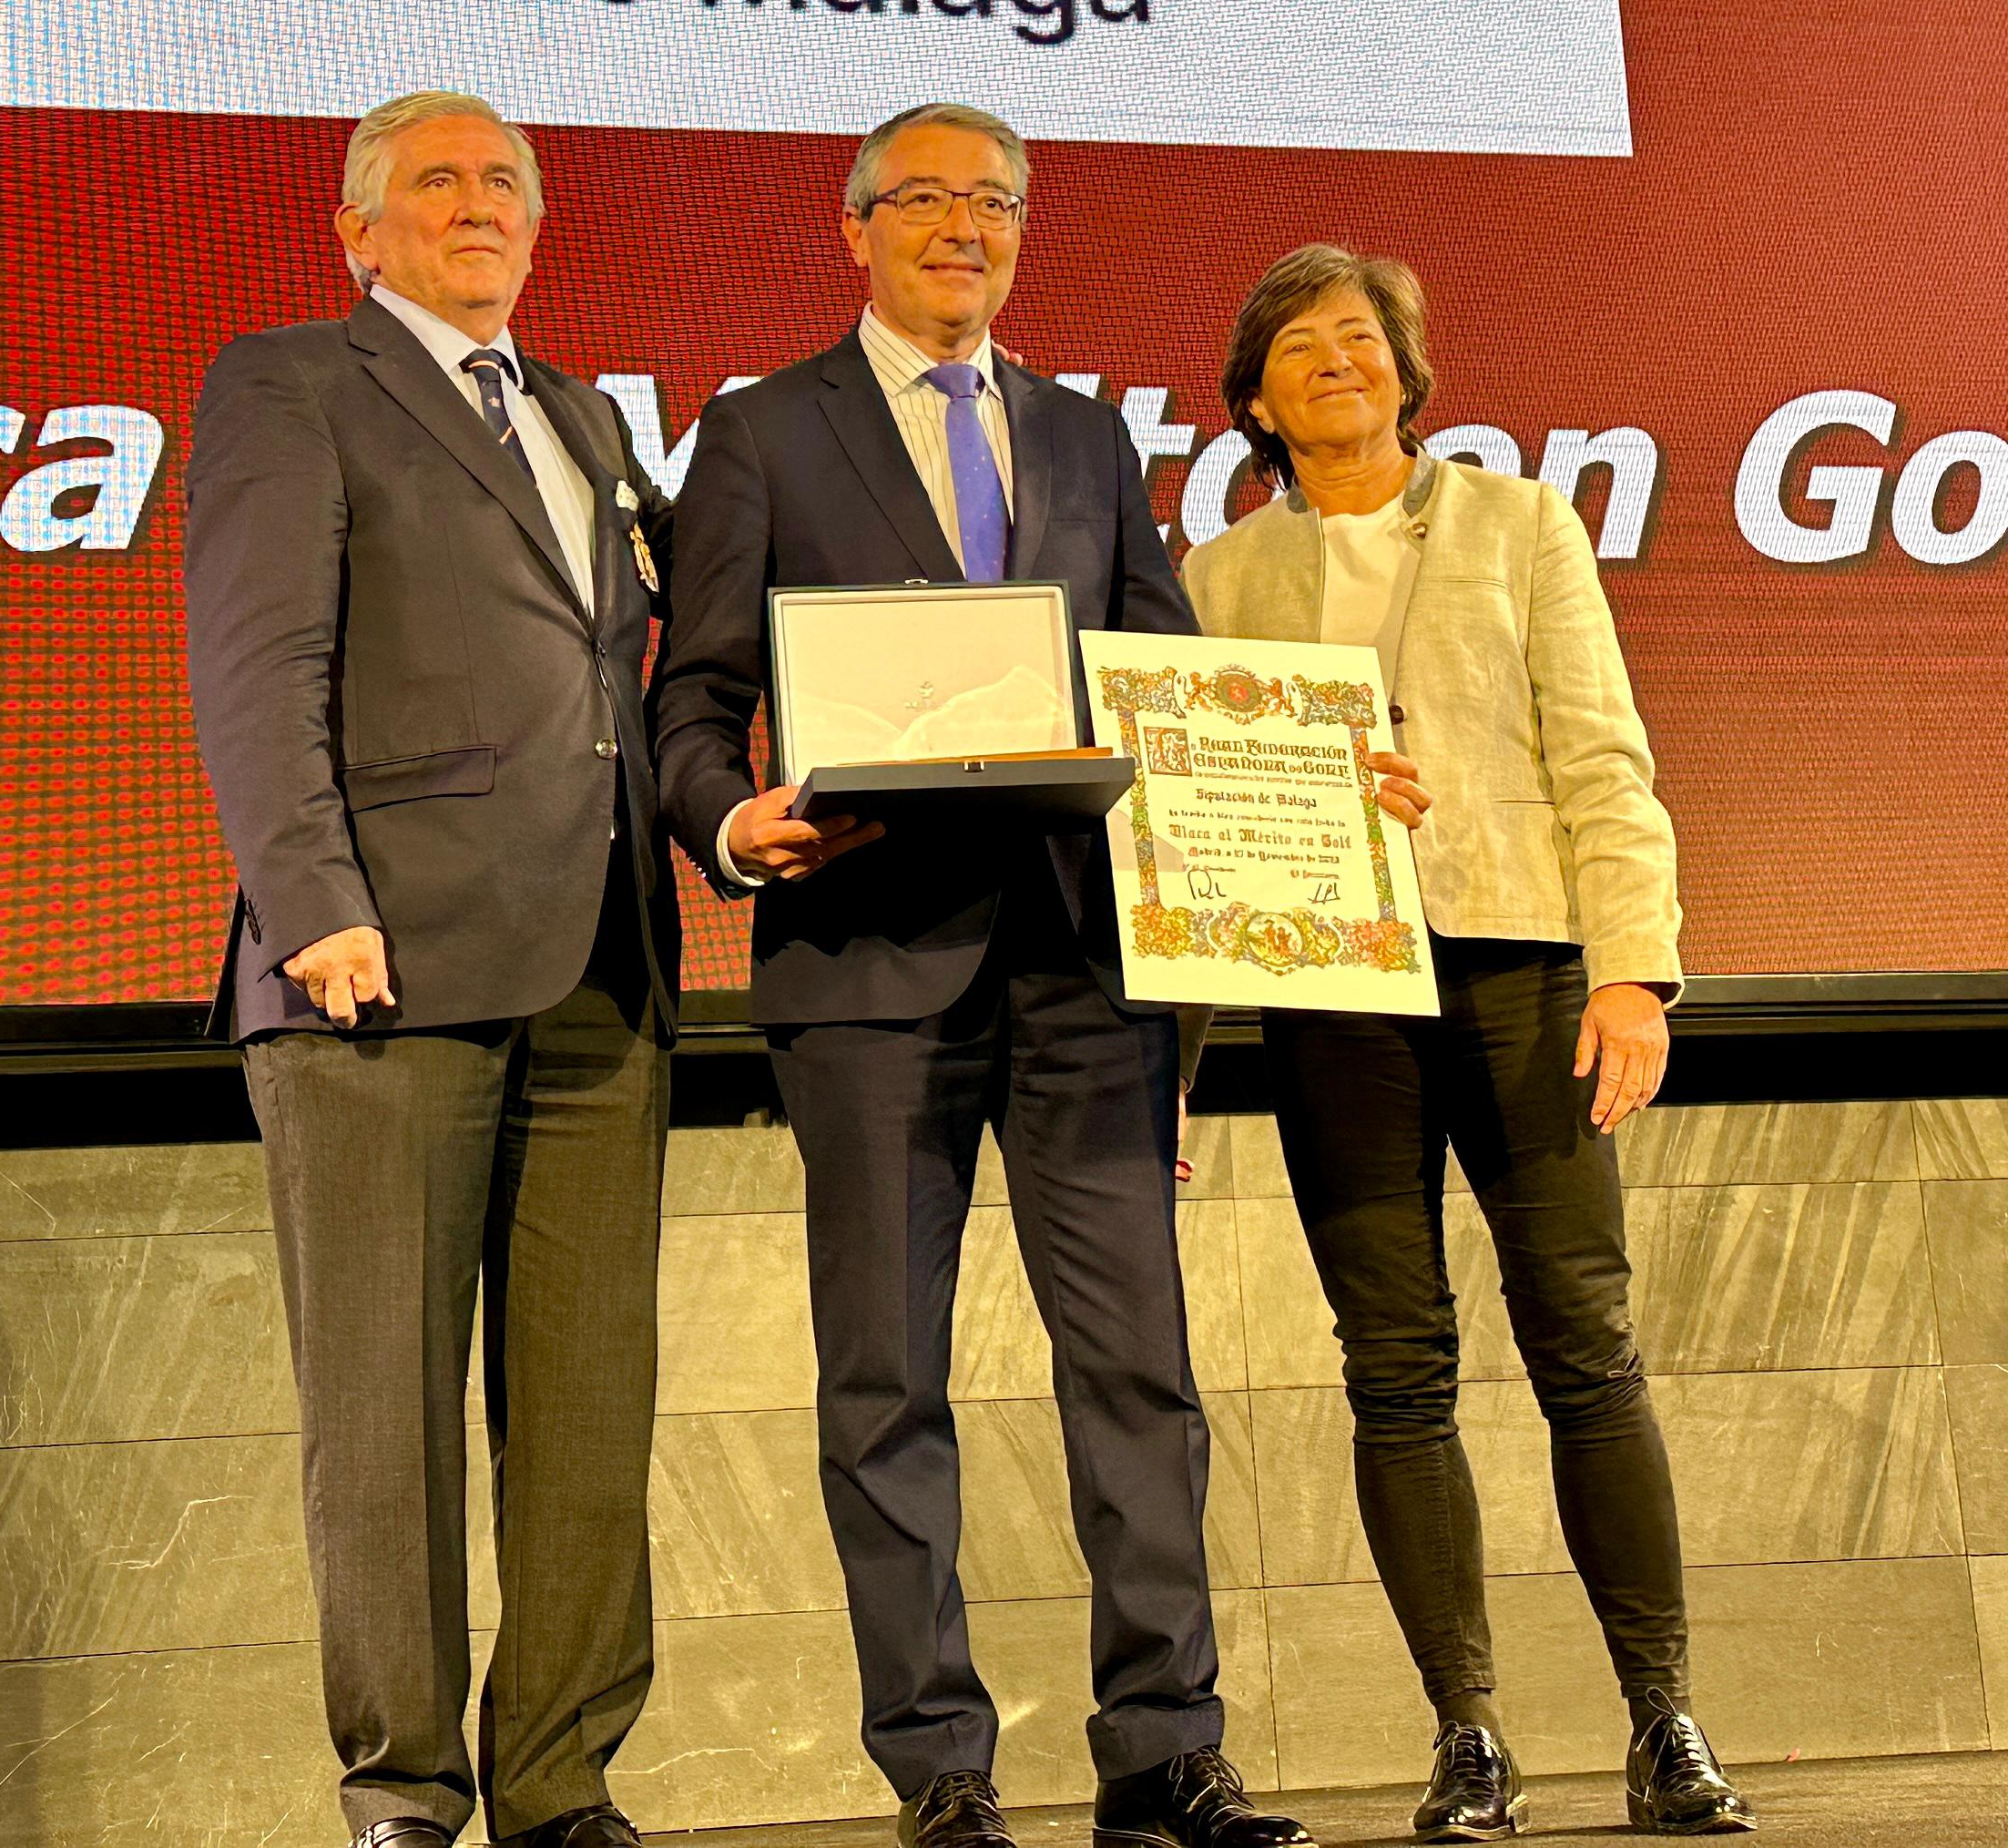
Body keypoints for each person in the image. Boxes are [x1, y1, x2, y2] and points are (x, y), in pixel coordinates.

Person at [652, 102, 1306, 1848]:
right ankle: (939, 1769)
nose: (966, 228)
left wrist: (1307, 780)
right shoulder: (759, 432)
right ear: (855, 225)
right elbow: (692, 700)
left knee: (1141, 1376)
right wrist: (733, 824)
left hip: (1087, 971)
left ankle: (1165, 1752)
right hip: (864, 970)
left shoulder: (1089, 437)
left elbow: (1169, 679)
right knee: (885, 1385)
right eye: (929, 199)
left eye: (996, 203)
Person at [1179, 245, 1754, 1841]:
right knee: (1394, 1367)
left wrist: (1634, 973)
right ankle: (1469, 1736)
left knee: (1586, 1341)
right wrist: (1174, 1061)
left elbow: (1603, 757)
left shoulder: (1522, 524)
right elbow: (1195, 841)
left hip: (1524, 968)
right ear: (1255, 400)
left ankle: (1665, 1721)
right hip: (1332, 997)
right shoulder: (1218, 581)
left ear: (1409, 369)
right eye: (1299, 346)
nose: (1336, 360)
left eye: (1360, 336)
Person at [185, 90, 679, 1848]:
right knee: (385, 1412)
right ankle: (403, 1790)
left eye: (506, 181)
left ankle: (561, 1782)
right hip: (375, 971)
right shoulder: (290, 385)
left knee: (588, 1413)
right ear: (358, 229)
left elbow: (627, 674)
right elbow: (257, 666)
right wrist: (312, 899)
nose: (480, 203)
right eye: (439, 180)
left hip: (602, 967)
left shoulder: (584, 414)